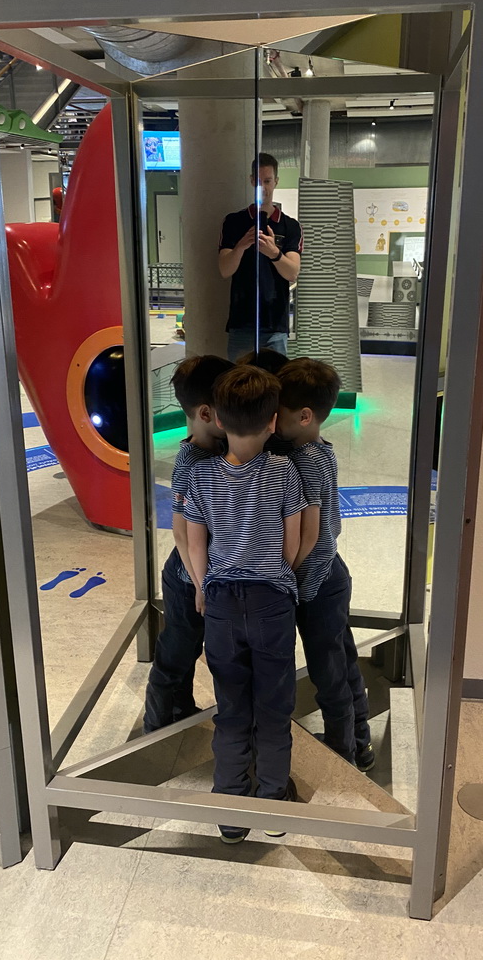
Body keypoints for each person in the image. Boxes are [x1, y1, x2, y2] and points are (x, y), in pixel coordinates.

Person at [184, 365, 306, 843]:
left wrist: (202, 585)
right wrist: (277, 576)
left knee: (231, 706)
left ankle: (231, 808)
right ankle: (273, 802)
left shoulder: (201, 477)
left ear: (219, 421)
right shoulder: (285, 472)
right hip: (271, 600)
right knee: (274, 707)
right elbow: (292, 545)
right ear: (273, 421)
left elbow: (196, 545)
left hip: (220, 603)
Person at [276, 357, 375, 771]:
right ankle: (360, 740)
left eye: (276, 415)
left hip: (316, 579)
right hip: (330, 571)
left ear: (303, 416)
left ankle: (344, 751)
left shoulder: (306, 461)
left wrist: (291, 578)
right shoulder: (315, 450)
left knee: (328, 670)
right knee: (342, 658)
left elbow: (312, 532)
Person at [142, 354, 234, 733]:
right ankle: (157, 722)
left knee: (190, 648)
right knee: (177, 652)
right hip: (187, 580)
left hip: (202, 577)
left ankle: (181, 708)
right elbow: (181, 532)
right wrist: (200, 583)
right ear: (208, 413)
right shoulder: (192, 460)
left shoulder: (218, 450)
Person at [218, 153, 302, 361]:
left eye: (267, 181)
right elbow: (225, 270)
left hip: (275, 324)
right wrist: (241, 246)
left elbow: (292, 273)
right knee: (237, 386)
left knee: (274, 387)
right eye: (257, 181)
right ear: (250, 181)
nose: (262, 187)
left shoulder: (290, 226)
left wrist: (274, 253)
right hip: (241, 322)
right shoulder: (234, 222)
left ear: (276, 182)